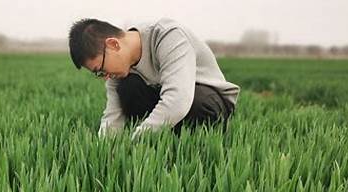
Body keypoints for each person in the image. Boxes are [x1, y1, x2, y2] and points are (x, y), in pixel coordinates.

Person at [68, 17, 240, 140]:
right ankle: (166, 137)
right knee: (127, 89)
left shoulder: (168, 36)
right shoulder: (118, 70)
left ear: (113, 44)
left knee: (197, 103)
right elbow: (113, 115)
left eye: (101, 70)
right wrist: (102, 150)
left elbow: (177, 101)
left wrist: (136, 141)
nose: (105, 77)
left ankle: (186, 141)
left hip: (209, 99)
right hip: (169, 99)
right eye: (98, 74)